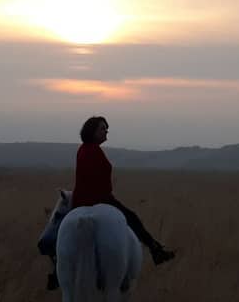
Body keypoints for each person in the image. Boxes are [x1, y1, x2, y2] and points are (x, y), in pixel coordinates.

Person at [46, 115, 175, 290]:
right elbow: (96, 181)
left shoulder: (83, 149)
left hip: (80, 201)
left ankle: (57, 271)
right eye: (102, 128)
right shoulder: (94, 151)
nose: (106, 131)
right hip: (100, 200)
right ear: (92, 131)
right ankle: (156, 250)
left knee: (59, 227)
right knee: (132, 218)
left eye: (106, 128)